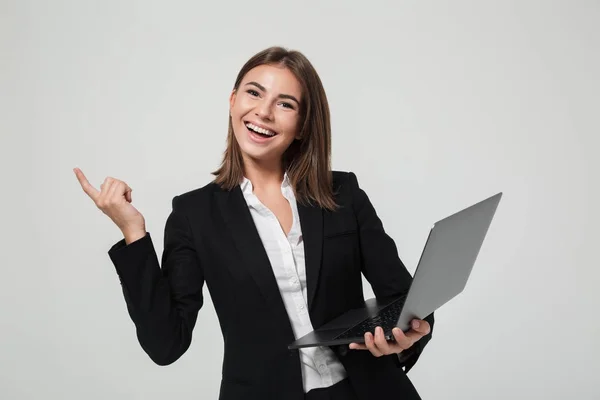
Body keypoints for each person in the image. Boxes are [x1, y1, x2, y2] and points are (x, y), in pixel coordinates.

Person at [74, 46, 434, 400]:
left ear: (303, 124)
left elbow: (405, 298)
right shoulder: (193, 215)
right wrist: (133, 233)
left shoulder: (343, 192)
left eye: (285, 103)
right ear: (233, 101)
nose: (263, 112)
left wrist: (405, 340)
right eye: (254, 93)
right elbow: (166, 344)